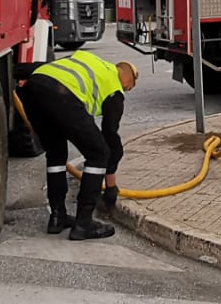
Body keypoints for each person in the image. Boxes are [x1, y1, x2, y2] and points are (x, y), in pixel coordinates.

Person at [21, 51, 138, 239]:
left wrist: (14, 71)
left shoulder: (89, 59)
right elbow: (110, 138)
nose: (128, 91)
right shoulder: (114, 87)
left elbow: (45, 67)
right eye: (130, 87)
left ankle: (57, 217)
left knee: (56, 153)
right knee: (99, 154)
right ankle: (84, 224)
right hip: (62, 94)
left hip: (34, 90)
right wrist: (111, 187)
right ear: (128, 80)